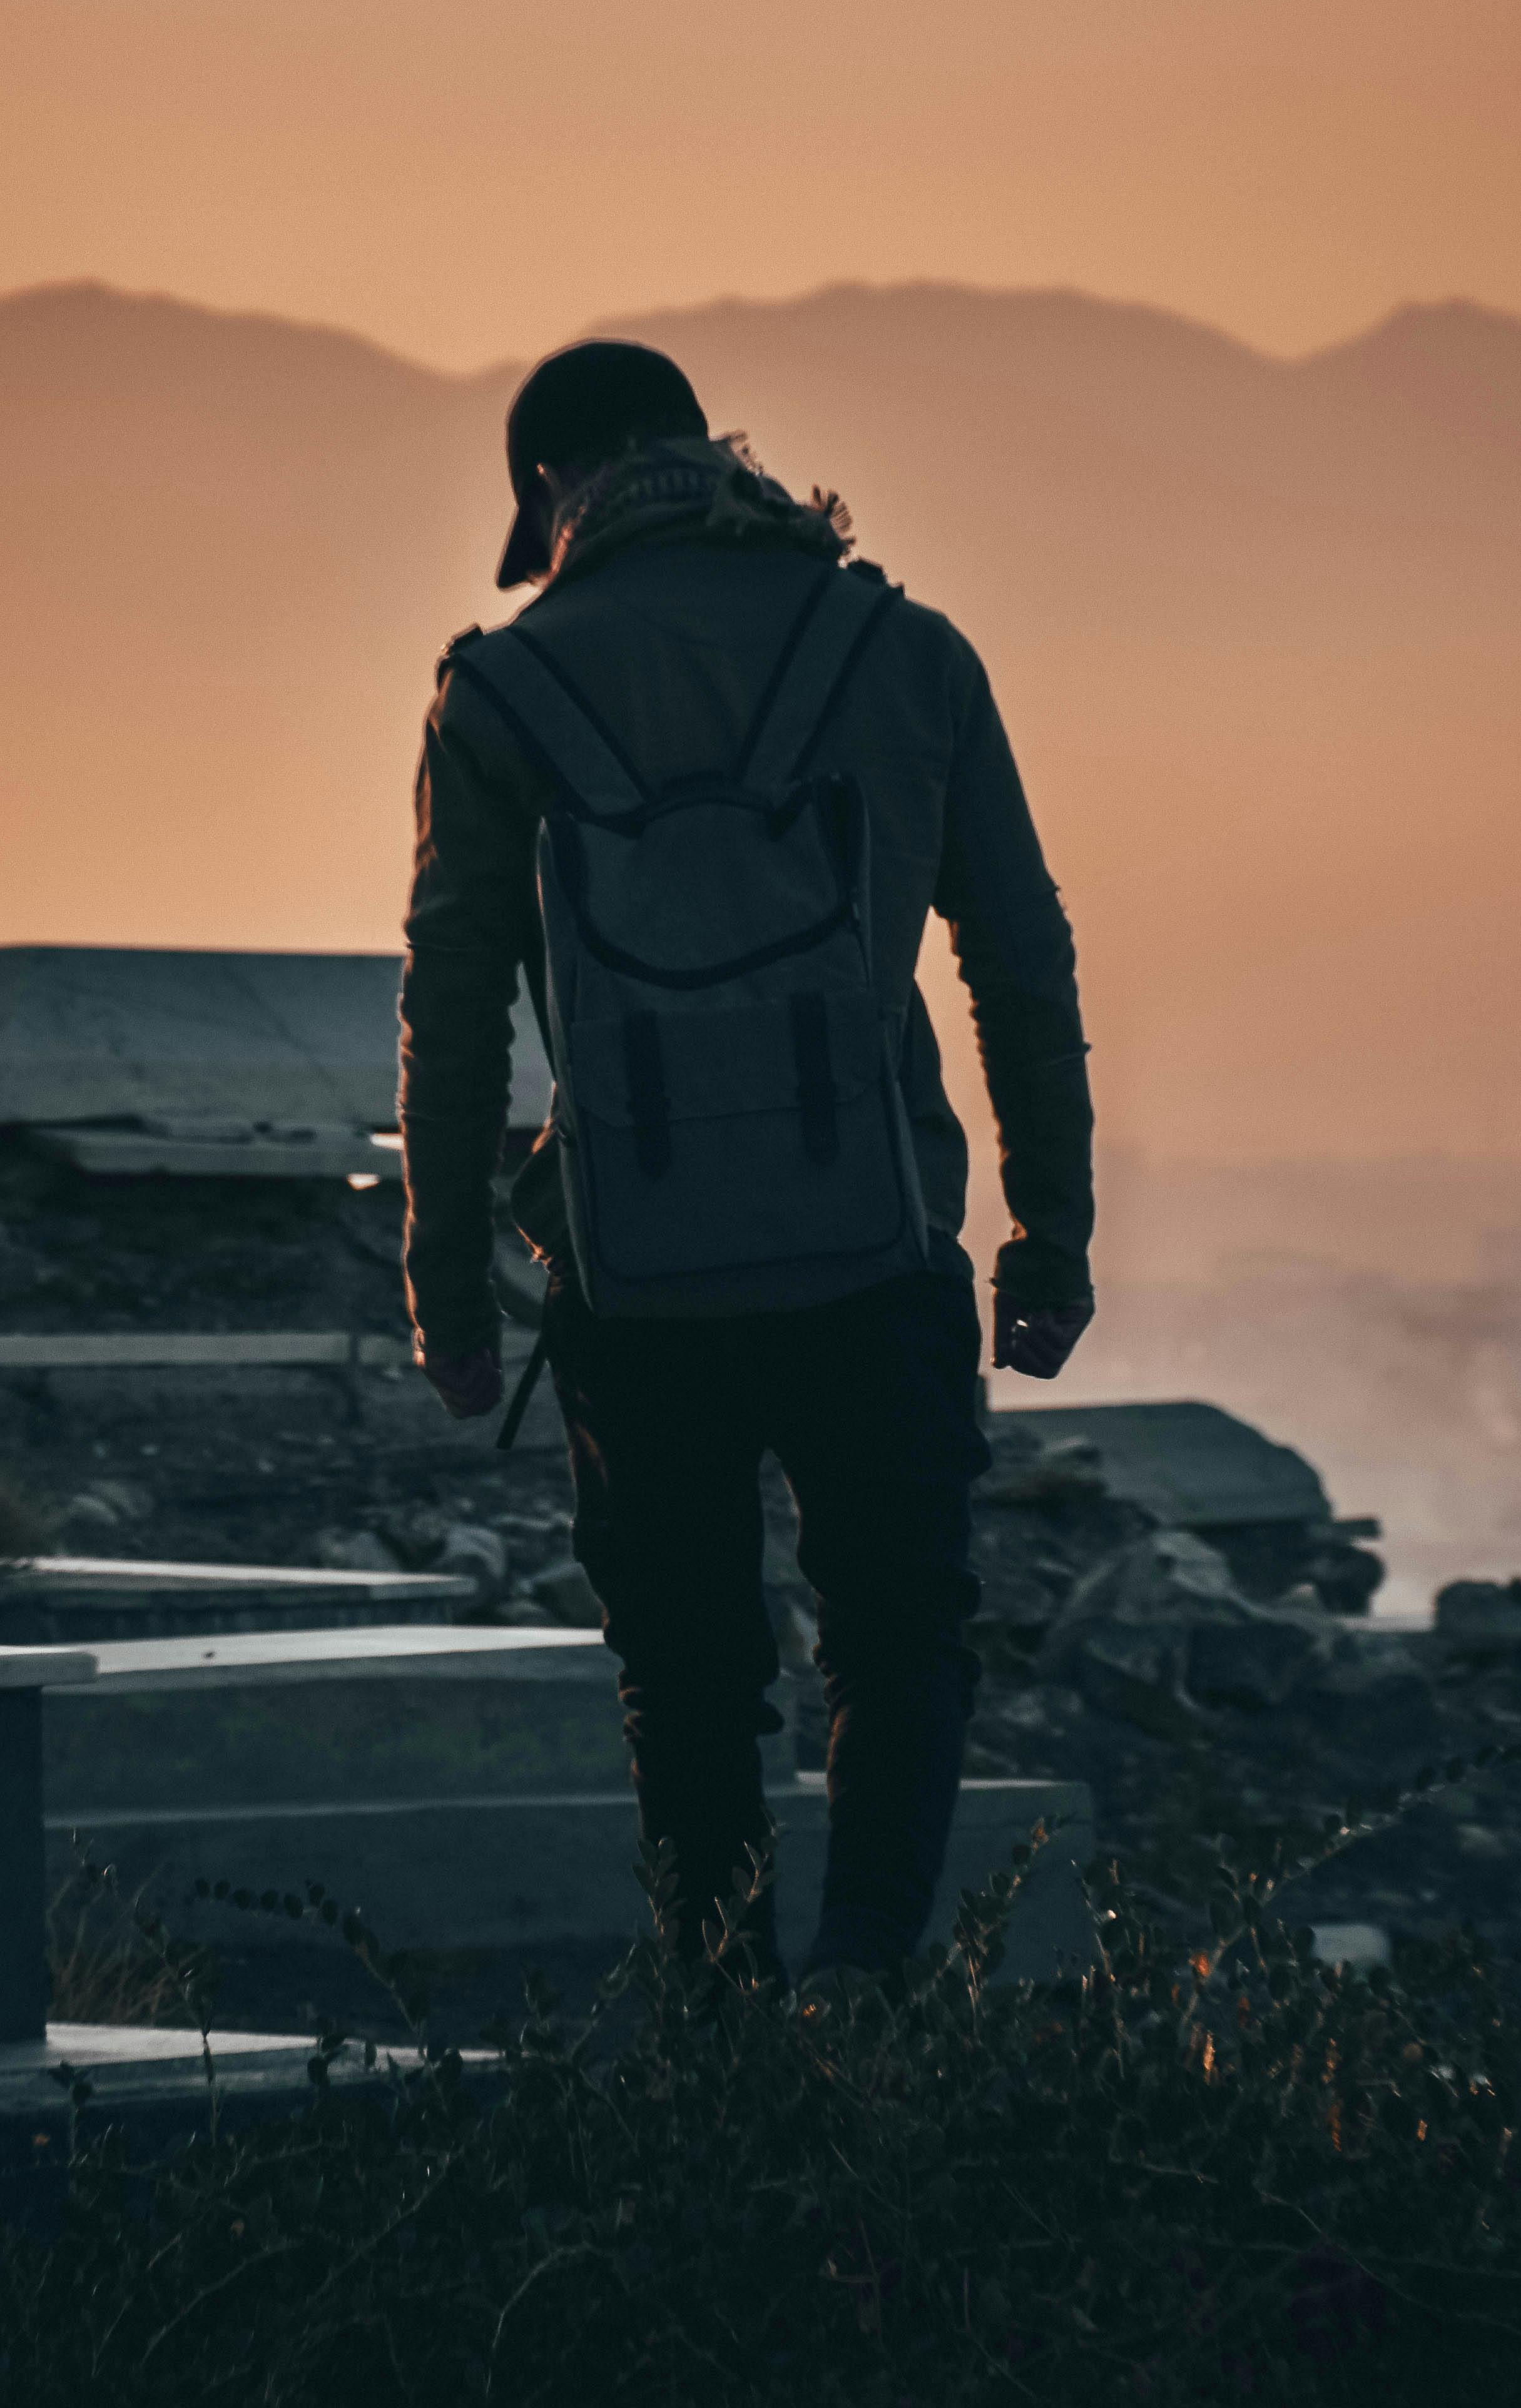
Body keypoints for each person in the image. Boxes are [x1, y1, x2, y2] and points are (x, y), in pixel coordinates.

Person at [398, 340, 1095, 1984]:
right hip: (877, 1250)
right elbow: (1022, 958)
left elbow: (452, 1001)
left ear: (553, 488)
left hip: (637, 1280)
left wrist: (446, 1285)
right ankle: (867, 1978)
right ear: (711, 452)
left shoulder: (498, 693)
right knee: (902, 1637)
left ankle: (721, 2047)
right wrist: (1048, 1235)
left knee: (691, 1678)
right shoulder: (905, 652)